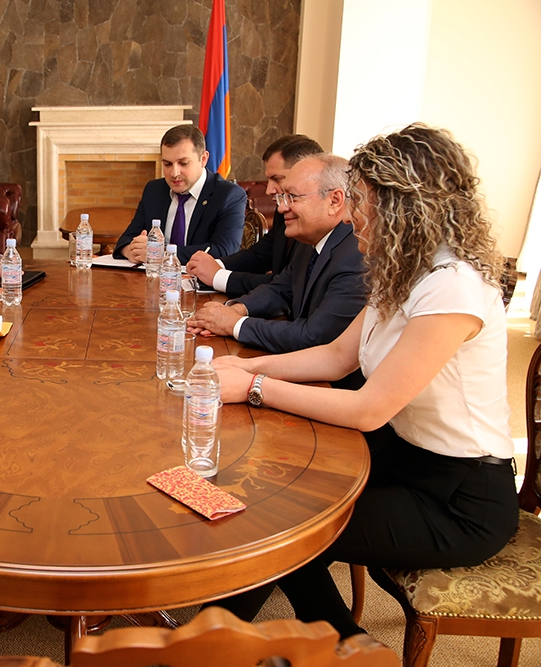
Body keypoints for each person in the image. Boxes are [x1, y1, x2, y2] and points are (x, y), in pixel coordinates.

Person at [210, 124, 519, 639]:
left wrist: (252, 389)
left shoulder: (454, 287)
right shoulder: (404, 272)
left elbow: (369, 408)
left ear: (404, 206)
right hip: (400, 456)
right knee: (273, 496)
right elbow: (334, 358)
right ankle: (228, 637)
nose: (351, 214)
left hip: (459, 496)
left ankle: (321, 647)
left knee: (286, 528)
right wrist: (245, 367)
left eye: (361, 200)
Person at [187, 154, 367, 357]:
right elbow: (281, 289)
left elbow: (314, 336)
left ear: (334, 200)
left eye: (293, 197)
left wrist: (235, 324)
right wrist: (237, 309)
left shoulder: (356, 255)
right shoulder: (311, 239)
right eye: (283, 197)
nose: (281, 207)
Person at [186, 134, 323, 297]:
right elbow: (260, 255)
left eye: (277, 179)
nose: (269, 190)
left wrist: (218, 276)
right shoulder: (283, 210)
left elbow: (288, 284)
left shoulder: (320, 226)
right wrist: (214, 265)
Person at [113, 124, 246, 264]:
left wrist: (161, 253)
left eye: (183, 163)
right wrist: (131, 251)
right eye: (167, 164)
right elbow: (126, 240)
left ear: (203, 159)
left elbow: (224, 250)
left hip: (200, 277)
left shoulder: (228, 195)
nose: (174, 173)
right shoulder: (154, 190)